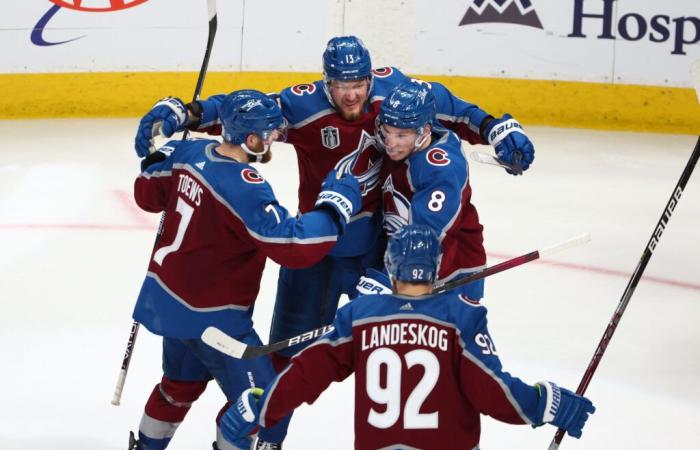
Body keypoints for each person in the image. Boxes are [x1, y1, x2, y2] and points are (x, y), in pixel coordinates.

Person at [133, 36, 536, 366]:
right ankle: (268, 441)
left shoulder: (395, 93)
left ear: (370, 78)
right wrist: (185, 113)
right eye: (341, 86)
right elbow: (248, 111)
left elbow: (451, 108)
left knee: (401, 360)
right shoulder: (304, 104)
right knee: (286, 362)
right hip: (316, 253)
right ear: (327, 82)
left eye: (358, 84)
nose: (351, 95)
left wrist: (496, 127)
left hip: (378, 252)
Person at [218, 225, 596, 450]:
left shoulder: (359, 317)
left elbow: (307, 373)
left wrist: (261, 405)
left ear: (391, 267)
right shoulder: (461, 317)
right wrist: (544, 403)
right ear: (435, 269)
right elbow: (495, 393)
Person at [127, 90, 362, 450]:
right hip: (215, 318)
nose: (275, 138)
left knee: (178, 386)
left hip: (170, 302)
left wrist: (156, 153)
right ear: (250, 139)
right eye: (268, 133)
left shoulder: (190, 153)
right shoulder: (243, 187)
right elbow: (292, 245)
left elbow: (147, 194)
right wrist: (334, 208)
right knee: (262, 400)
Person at [375, 80, 491, 300]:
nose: (390, 143)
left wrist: (383, 277)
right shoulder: (407, 136)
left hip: (452, 274)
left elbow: (423, 238)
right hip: (411, 269)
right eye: (387, 132)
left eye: (401, 136)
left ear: (425, 130)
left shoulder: (440, 170)